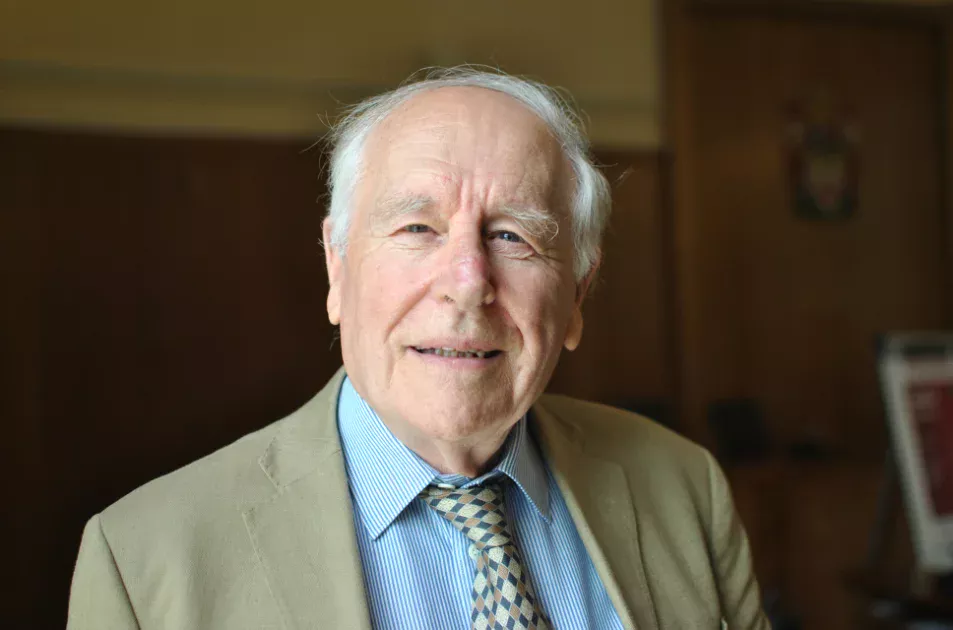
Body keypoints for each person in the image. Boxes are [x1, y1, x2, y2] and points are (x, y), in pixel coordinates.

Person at [67, 68, 770, 630]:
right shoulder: (143, 558)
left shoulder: (684, 486)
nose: (467, 285)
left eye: (511, 237)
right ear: (337, 270)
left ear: (577, 297)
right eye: (416, 229)